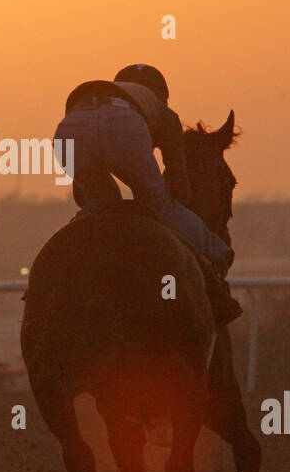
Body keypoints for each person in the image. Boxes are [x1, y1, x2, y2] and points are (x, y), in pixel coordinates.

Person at [54, 64, 242, 325]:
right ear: (161, 95)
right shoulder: (164, 114)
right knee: (162, 205)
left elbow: (81, 196)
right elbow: (180, 188)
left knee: (96, 210)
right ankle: (219, 253)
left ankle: (49, 275)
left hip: (70, 126)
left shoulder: (95, 103)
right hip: (121, 126)